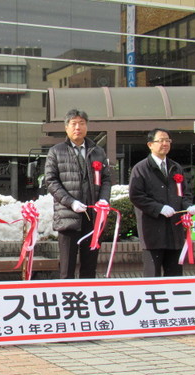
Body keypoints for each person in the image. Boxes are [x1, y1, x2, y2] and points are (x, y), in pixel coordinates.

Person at [44, 109, 112, 279]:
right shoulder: (56, 151)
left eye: (81, 123)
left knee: (90, 268)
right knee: (67, 269)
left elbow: (106, 179)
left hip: (93, 217)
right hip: (68, 217)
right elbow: (51, 182)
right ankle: (67, 301)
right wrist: (71, 202)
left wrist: (103, 200)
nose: (78, 127)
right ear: (66, 127)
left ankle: (87, 301)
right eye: (73, 124)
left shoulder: (98, 151)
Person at [129, 128, 195, 277]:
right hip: (152, 232)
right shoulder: (141, 168)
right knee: (152, 276)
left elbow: (185, 193)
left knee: (175, 275)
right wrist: (158, 208)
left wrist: (188, 206)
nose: (165, 144)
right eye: (160, 140)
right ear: (150, 144)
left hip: (175, 231)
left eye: (167, 140)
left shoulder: (176, 167)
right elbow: (136, 196)